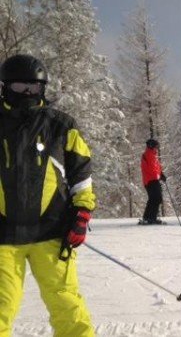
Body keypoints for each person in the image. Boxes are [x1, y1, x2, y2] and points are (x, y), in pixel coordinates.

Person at [0, 54, 95, 336]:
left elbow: (81, 173)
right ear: (5, 87)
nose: (28, 93)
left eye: (34, 87)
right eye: (20, 87)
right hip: (4, 237)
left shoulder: (60, 125)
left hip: (52, 231)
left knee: (67, 306)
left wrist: (81, 213)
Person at [140, 139, 166, 225]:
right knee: (157, 198)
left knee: (153, 199)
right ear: (151, 146)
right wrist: (159, 175)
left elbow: (156, 167)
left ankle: (147, 217)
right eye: (156, 146)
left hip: (151, 179)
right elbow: (152, 168)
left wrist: (161, 173)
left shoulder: (152, 154)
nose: (157, 148)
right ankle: (151, 218)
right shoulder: (149, 154)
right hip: (151, 179)